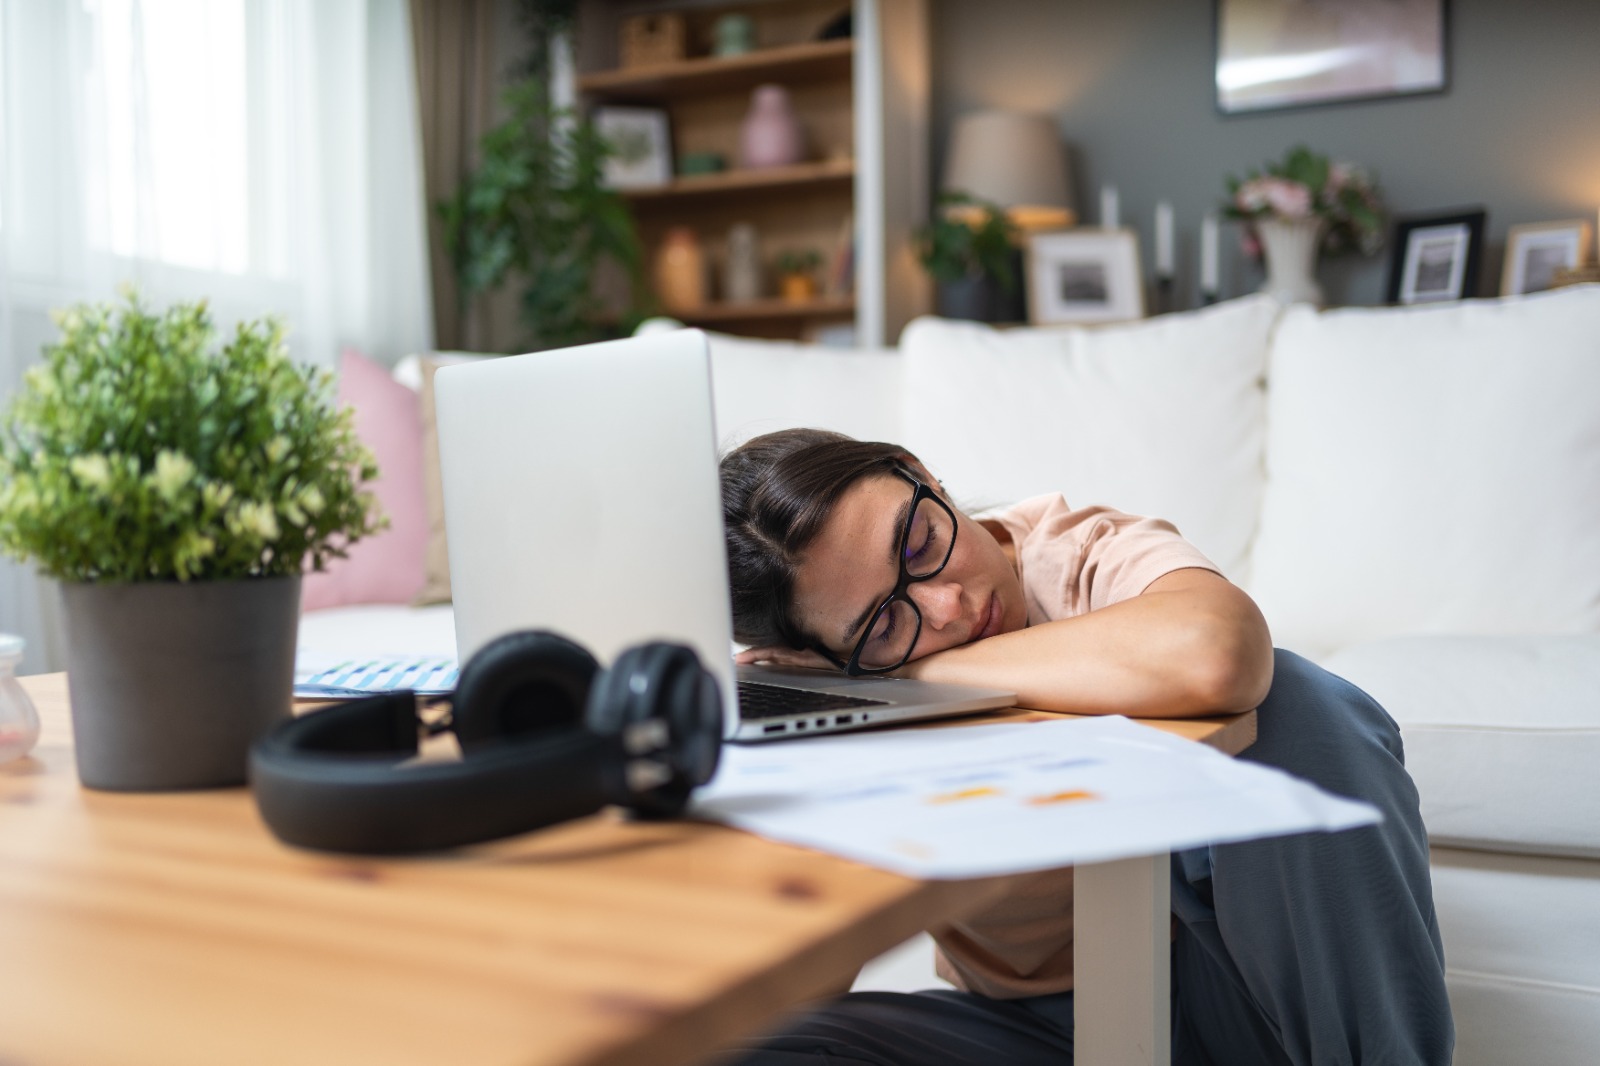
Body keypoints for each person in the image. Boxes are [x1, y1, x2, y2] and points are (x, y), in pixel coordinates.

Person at [714, 428, 1453, 1066]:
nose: (949, 606)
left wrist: (917, 672)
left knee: (1291, 700)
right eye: (884, 624)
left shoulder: (1076, 554)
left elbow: (1217, 652)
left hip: (1228, 993)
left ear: (922, 473)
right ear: (820, 659)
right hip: (1035, 1028)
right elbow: (800, 982)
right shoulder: (843, 683)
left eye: (920, 542)